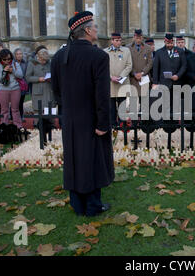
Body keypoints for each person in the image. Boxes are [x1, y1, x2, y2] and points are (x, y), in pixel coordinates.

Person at [51, 11, 113, 217]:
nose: (97, 30)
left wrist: (68, 110)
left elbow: (57, 91)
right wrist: (103, 123)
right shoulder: (99, 56)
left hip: (70, 118)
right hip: (91, 118)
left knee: (75, 159)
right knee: (92, 160)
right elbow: (102, 95)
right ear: (86, 30)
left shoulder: (59, 56)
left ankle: (77, 204)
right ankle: (93, 206)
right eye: (94, 26)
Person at [104, 33, 133, 126]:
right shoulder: (105, 52)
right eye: (116, 40)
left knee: (122, 105)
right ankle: (112, 126)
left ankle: (122, 125)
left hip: (122, 82)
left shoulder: (126, 51)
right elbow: (103, 67)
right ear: (112, 41)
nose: (119, 42)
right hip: (111, 83)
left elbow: (129, 65)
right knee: (111, 107)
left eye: (120, 40)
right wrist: (110, 76)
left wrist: (121, 76)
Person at [0, 49, 24, 129]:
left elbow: (21, 75)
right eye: (4, 59)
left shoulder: (15, 64)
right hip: (3, 89)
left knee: (15, 109)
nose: (7, 61)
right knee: (4, 110)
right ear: (1, 59)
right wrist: (4, 71)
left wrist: (13, 71)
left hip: (15, 89)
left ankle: (18, 126)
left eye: (9, 59)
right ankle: (4, 126)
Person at [25, 48, 54, 114]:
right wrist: (38, 79)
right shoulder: (32, 63)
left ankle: (50, 124)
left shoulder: (49, 62)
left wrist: (51, 78)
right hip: (38, 91)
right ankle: (37, 124)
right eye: (43, 60)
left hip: (48, 90)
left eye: (45, 60)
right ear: (38, 57)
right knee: (38, 111)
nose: (44, 62)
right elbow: (27, 77)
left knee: (50, 111)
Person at [129, 29, 152, 98]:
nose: (138, 40)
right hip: (133, 79)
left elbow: (150, 63)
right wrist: (134, 73)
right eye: (137, 38)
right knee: (133, 103)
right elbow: (128, 63)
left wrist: (142, 73)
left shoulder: (147, 48)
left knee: (144, 103)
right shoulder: (128, 48)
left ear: (142, 37)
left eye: (140, 38)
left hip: (144, 78)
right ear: (134, 37)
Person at [14, 48, 29, 119]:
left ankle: (21, 116)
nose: (19, 55)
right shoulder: (13, 63)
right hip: (14, 85)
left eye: (20, 54)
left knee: (21, 102)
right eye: (17, 54)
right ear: (15, 55)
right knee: (15, 103)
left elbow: (26, 74)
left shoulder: (25, 63)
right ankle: (14, 116)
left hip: (22, 86)